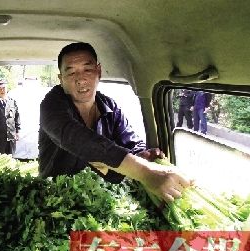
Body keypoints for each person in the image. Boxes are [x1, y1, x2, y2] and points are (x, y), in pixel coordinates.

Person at [38, 42, 191, 203]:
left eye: (87, 69)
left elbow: (131, 142)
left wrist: (143, 155)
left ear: (99, 72)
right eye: (71, 73)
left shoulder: (109, 106)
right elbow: (77, 139)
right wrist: (146, 173)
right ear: (61, 79)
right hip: (54, 199)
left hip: (100, 199)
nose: (81, 79)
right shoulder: (51, 105)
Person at [0, 79, 21, 155]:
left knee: (11, 159)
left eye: (4, 88)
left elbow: (17, 116)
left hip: (11, 137)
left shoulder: (12, 102)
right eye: (0, 88)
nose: (2, 90)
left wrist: (17, 131)